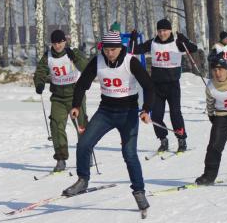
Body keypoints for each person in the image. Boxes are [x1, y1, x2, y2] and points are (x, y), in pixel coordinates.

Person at [62, 32, 154, 212]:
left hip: (128, 113)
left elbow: (149, 86)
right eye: (106, 49)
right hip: (106, 112)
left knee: (129, 154)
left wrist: (146, 109)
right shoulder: (98, 61)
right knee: (84, 144)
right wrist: (76, 106)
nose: (110, 53)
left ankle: (139, 191)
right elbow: (82, 84)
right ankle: (83, 180)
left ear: (120, 48)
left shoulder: (130, 61)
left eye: (113, 49)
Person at [129, 19, 197, 153]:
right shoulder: (153, 42)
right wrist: (133, 39)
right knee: (156, 116)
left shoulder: (177, 42)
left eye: (165, 30)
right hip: (157, 86)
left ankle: (181, 139)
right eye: (159, 31)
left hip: (172, 85)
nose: (162, 33)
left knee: (175, 114)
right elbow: (134, 50)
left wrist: (185, 40)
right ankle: (163, 140)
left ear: (170, 30)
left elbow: (194, 49)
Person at [33, 29, 88, 172]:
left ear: (65, 41)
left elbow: (86, 68)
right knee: (56, 126)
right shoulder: (47, 57)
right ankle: (61, 159)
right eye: (55, 43)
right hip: (58, 97)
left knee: (81, 126)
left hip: (76, 95)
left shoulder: (73, 53)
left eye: (60, 42)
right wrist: (39, 83)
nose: (57, 45)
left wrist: (75, 58)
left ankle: (85, 156)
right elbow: (40, 72)